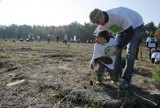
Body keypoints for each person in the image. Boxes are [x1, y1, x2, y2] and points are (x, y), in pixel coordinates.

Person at [89, 7, 144, 89]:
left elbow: (130, 33)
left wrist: (118, 47)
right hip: (121, 30)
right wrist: (93, 59)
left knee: (130, 52)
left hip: (136, 26)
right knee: (115, 53)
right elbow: (98, 45)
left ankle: (125, 80)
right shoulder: (101, 26)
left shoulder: (118, 15)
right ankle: (117, 77)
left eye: (97, 21)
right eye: (95, 23)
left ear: (101, 15)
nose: (97, 24)